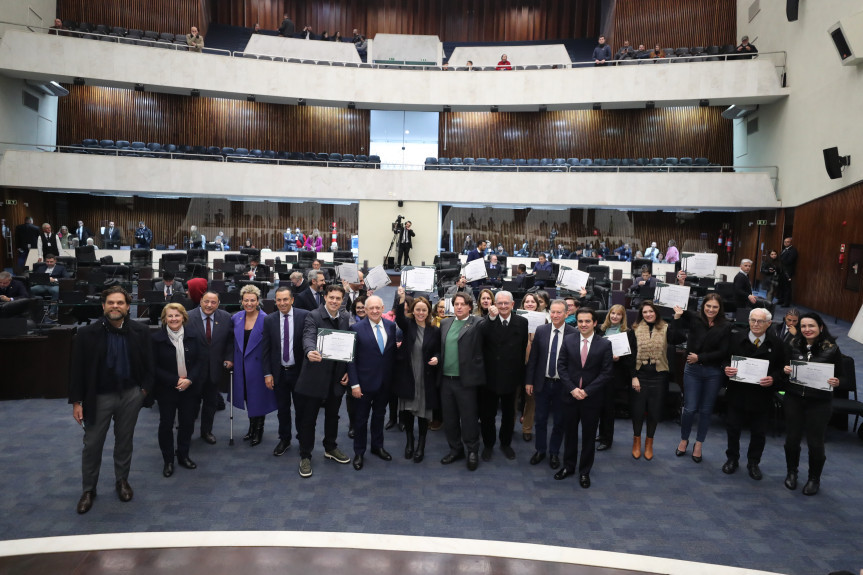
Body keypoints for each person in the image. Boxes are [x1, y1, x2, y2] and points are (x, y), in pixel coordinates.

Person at [70, 286, 154, 514]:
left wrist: (143, 392)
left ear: (128, 307)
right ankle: (89, 489)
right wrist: (77, 401)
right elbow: (77, 370)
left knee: (124, 442)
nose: (115, 306)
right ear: (103, 306)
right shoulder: (87, 334)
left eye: (120, 303)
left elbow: (150, 365)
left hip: (130, 396)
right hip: (97, 398)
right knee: (92, 445)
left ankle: (122, 481)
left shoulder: (141, 331)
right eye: (110, 303)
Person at [782, 313, 843, 496]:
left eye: (812, 326)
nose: (807, 330)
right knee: (791, 440)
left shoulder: (831, 349)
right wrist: (785, 369)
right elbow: (782, 366)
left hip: (819, 402)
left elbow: (843, 377)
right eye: (804, 326)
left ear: (821, 327)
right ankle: (792, 472)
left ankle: (813, 478)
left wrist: (837, 381)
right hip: (794, 398)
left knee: (815, 443)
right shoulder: (792, 344)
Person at [294, 284, 352, 477]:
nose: (335, 301)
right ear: (325, 297)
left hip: (336, 378)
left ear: (342, 300)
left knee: (333, 416)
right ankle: (305, 456)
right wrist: (310, 350)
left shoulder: (345, 317)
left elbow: (348, 347)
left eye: (338, 298)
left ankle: (330, 447)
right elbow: (308, 336)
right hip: (315, 377)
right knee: (308, 419)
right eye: (331, 298)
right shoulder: (313, 316)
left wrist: (346, 370)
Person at [722, 307, 785, 481]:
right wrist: (726, 368)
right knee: (733, 429)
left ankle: (753, 463)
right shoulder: (735, 338)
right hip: (737, 392)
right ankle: (732, 459)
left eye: (761, 321)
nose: (756, 324)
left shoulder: (777, 343)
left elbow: (782, 368)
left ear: (769, 324)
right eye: (753, 320)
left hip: (762, 395)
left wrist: (773, 378)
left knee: (759, 433)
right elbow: (724, 358)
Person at [555, 307, 613, 488]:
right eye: (580, 321)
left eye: (587, 321)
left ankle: (584, 471)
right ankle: (568, 466)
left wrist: (587, 391)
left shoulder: (604, 344)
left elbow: (606, 373)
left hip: (591, 398)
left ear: (595, 323)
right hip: (570, 396)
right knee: (570, 434)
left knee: (588, 437)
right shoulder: (568, 340)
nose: (583, 324)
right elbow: (561, 367)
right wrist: (572, 389)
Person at [673, 293, 731, 463]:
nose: (711, 310)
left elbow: (723, 352)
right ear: (703, 306)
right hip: (693, 371)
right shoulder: (694, 318)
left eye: (715, 307)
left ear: (720, 309)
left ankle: (699, 444)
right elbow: (675, 336)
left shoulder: (726, 326)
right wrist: (676, 317)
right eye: (708, 306)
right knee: (689, 409)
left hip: (713, 372)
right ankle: (684, 439)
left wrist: (701, 357)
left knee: (706, 410)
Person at [151, 303, 205, 478]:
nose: (173, 319)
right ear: (164, 319)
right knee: (166, 424)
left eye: (177, 315)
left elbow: (199, 362)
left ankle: (183, 455)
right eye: (170, 316)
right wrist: (175, 380)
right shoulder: (156, 338)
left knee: (187, 423)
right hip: (167, 389)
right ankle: (168, 460)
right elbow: (153, 367)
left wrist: (189, 380)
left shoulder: (194, 336)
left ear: (183, 317)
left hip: (189, 388)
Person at [346, 295, 399, 470]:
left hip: (385, 383)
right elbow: (351, 359)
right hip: (363, 385)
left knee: (379, 416)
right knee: (360, 420)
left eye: (378, 308)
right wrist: (354, 384)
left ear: (383, 308)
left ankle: (377, 446)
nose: (375, 311)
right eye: (371, 308)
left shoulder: (391, 327)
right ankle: (359, 452)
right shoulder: (356, 328)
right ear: (365, 310)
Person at [627, 300, 683, 460]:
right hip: (640, 377)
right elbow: (630, 356)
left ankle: (649, 443)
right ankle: (636, 441)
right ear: (641, 314)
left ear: (656, 313)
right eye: (645, 312)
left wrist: (677, 318)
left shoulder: (666, 328)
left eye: (651, 311)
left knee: (654, 412)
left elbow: (679, 338)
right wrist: (633, 376)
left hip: (659, 377)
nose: (648, 314)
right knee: (637, 412)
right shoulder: (635, 330)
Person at [480, 291, 529, 461]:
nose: (502, 306)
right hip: (490, 377)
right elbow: (481, 336)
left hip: (511, 377)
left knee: (509, 415)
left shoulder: (522, 322)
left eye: (506, 303)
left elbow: (523, 349)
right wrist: (490, 318)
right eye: (499, 303)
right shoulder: (488, 321)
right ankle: (488, 444)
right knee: (488, 415)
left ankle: (505, 443)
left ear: (512, 305)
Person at [439, 292, 485, 470]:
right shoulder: (445, 323)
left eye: (462, 304)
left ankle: (472, 450)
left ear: (469, 306)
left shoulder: (477, 323)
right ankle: (455, 449)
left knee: (468, 419)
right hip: (446, 380)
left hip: (465, 381)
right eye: (456, 304)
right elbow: (439, 348)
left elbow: (490, 327)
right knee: (449, 419)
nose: (458, 307)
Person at [525, 299, 574, 470]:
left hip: (563, 385)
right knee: (540, 419)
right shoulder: (541, 330)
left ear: (566, 314)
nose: (555, 315)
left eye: (559, 312)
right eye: (552, 311)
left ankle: (554, 452)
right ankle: (540, 450)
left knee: (559, 421)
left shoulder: (573, 333)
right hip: (542, 383)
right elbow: (533, 359)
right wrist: (529, 381)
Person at [394, 288, 440, 462]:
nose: (421, 312)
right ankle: (409, 442)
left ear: (428, 311)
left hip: (425, 377)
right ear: (413, 311)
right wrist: (401, 298)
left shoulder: (434, 330)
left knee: (423, 415)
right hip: (408, 375)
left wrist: (437, 357)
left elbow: (438, 351)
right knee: (407, 412)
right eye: (418, 309)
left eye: (424, 310)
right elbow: (398, 317)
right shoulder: (408, 325)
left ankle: (421, 444)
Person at [261, 286, 308, 457]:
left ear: (292, 300)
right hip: (279, 372)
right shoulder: (269, 320)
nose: (282, 303)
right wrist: (267, 373)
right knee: (283, 409)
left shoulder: (304, 316)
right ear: (275, 301)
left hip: (299, 373)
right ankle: (285, 439)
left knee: (301, 409)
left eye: (285, 299)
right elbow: (265, 349)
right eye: (279, 300)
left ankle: (303, 438)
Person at [185, 290, 233, 445]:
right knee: (190, 404)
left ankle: (206, 431)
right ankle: (187, 431)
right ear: (200, 301)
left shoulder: (226, 317)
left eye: (213, 302)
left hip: (214, 369)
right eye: (206, 301)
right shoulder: (188, 316)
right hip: (192, 370)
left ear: (218, 304)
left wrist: (229, 358)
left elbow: (230, 342)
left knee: (210, 403)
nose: (209, 305)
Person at [231, 285, 276, 447]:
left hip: (259, 366)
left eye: (252, 300)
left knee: (259, 398)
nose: (249, 303)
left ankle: (259, 430)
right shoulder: (236, 318)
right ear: (241, 301)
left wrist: (269, 371)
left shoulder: (267, 319)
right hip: (242, 366)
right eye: (246, 300)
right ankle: (251, 428)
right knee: (248, 398)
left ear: (258, 301)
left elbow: (271, 346)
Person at [595, 304, 630, 451]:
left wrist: (618, 359)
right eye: (613, 313)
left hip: (614, 374)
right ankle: (601, 433)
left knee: (609, 409)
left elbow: (629, 357)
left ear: (623, 317)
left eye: (619, 314)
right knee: (600, 407)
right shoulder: (601, 330)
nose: (615, 316)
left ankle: (607, 439)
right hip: (599, 373)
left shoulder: (627, 333)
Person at [778, 237, 798, 306]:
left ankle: (786, 303)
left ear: (791, 242)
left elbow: (789, 261)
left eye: (788, 242)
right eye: (785, 242)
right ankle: (781, 300)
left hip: (787, 272)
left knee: (787, 287)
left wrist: (781, 260)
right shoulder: (784, 250)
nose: (786, 243)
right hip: (781, 271)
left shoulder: (793, 250)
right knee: (781, 286)